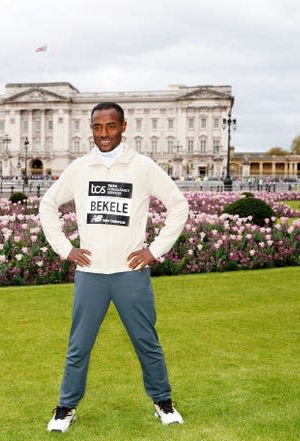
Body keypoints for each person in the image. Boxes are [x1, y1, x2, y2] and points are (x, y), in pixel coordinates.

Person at [39, 102, 189, 433]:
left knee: (146, 342)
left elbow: (179, 206)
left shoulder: (142, 167)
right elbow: (47, 205)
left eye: (110, 126)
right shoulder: (79, 168)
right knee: (78, 346)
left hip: (130, 273)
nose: (103, 134)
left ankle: (163, 402)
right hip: (91, 274)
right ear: (91, 129)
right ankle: (66, 408)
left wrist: (154, 250)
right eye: (97, 127)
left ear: (123, 127)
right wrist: (66, 250)